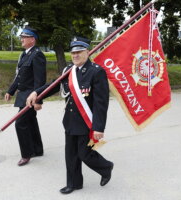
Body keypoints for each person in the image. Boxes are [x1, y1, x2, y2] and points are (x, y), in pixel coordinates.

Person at [26, 36, 114, 194]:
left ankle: (106, 167)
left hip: (87, 121)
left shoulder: (96, 72)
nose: (75, 55)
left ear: (87, 52)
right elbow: (53, 85)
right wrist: (37, 93)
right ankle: (74, 183)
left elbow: (102, 103)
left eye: (79, 52)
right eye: (73, 53)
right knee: (71, 154)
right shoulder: (68, 70)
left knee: (84, 153)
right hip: (70, 120)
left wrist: (99, 127)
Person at [5, 26, 46, 166]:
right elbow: (20, 76)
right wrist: (10, 91)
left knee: (21, 124)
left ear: (32, 39)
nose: (21, 39)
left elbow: (40, 80)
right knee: (30, 122)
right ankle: (37, 149)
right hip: (23, 95)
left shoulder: (37, 55)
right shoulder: (25, 54)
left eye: (25, 37)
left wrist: (38, 99)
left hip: (30, 97)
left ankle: (26, 154)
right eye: (21, 37)